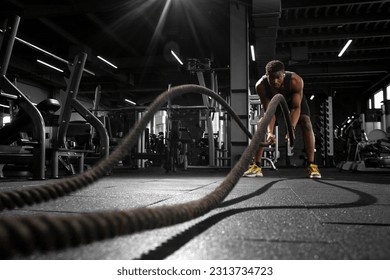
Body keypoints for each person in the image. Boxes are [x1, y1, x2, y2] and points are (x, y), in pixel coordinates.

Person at [243, 60, 321, 179]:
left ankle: (312, 166)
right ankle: (257, 166)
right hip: (274, 104)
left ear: (283, 74)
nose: (275, 81)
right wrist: (270, 132)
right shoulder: (261, 86)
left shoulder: (296, 81)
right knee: (262, 124)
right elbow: (270, 113)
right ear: (266, 76)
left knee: (306, 122)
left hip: (293, 103)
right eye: (272, 78)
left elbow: (295, 107)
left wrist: (291, 129)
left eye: (278, 77)